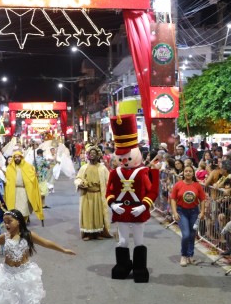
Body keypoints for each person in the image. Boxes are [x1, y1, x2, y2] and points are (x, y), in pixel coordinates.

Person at [106, 114, 159, 283]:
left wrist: (144, 206)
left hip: (137, 209)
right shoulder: (115, 173)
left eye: (128, 158)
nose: (125, 161)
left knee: (138, 240)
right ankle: (123, 265)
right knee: (122, 241)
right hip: (121, 209)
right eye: (122, 158)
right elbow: (109, 191)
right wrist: (113, 205)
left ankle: (139, 267)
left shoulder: (143, 172)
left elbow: (152, 191)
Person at [169, 164, 208, 266]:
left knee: (192, 234)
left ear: (193, 173)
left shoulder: (197, 185)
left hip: (194, 212)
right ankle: (183, 255)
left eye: (190, 171)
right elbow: (173, 199)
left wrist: (203, 211)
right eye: (186, 171)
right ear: (183, 173)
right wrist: (175, 212)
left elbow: (203, 199)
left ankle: (190, 255)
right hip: (182, 211)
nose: (188, 173)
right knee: (186, 235)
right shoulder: (178, 185)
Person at [73, 145, 112, 240]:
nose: (92, 155)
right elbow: (78, 178)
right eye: (90, 153)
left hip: (98, 194)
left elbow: (109, 180)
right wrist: (79, 184)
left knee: (98, 214)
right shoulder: (84, 167)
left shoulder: (102, 168)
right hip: (87, 194)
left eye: (94, 153)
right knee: (87, 214)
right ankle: (89, 234)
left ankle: (98, 233)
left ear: (98, 155)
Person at [4, 147, 44, 225]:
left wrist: (35, 176)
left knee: (24, 208)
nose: (17, 158)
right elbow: (8, 180)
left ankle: (23, 222)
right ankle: (16, 222)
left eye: (19, 157)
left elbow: (32, 176)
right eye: (15, 157)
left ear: (21, 157)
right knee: (15, 208)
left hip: (24, 191)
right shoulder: (9, 168)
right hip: (14, 191)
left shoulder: (28, 166)